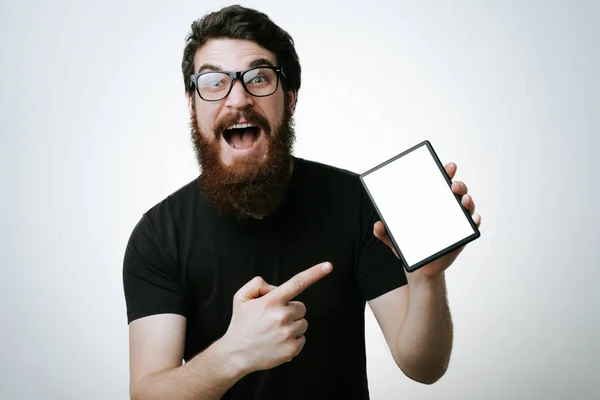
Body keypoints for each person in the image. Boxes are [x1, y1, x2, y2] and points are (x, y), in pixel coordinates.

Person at [122, 4, 481, 400]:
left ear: (289, 98)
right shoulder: (157, 236)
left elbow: (423, 367)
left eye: (259, 78)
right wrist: (233, 354)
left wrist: (426, 280)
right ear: (192, 104)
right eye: (213, 81)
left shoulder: (356, 202)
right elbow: (147, 394)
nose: (237, 98)